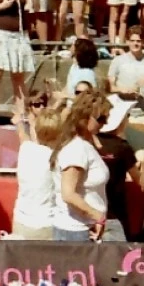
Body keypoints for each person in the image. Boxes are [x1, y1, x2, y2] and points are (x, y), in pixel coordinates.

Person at [50, 92, 112, 242]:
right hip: (76, 230)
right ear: (85, 118)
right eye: (101, 119)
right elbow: (68, 194)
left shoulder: (81, 144)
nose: (106, 123)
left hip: (79, 228)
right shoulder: (76, 149)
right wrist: (97, 216)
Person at [11, 105, 64, 240]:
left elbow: (23, 135)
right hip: (48, 223)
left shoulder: (26, 149)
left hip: (21, 222)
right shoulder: (59, 158)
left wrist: (20, 122)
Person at [96, 95, 140, 241]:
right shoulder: (122, 148)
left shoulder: (88, 143)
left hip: (90, 215)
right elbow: (140, 180)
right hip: (115, 216)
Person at [107, 26, 144, 122]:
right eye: (132, 41)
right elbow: (110, 87)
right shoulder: (118, 60)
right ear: (127, 41)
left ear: (143, 42)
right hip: (122, 112)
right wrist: (123, 90)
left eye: (138, 41)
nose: (135, 44)